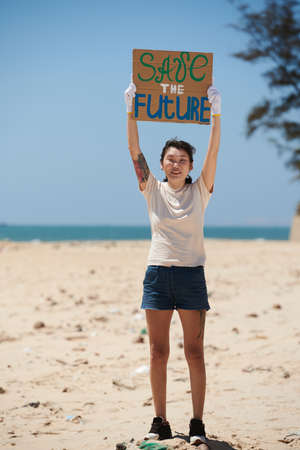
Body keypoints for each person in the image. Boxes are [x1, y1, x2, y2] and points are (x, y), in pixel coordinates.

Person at [124, 78, 221, 448]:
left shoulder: (200, 190)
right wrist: (131, 109)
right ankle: (160, 420)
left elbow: (215, 150)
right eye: (170, 159)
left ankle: (197, 422)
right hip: (157, 275)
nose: (176, 163)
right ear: (162, 164)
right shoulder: (152, 188)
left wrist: (216, 113)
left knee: (194, 350)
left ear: (191, 165)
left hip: (192, 276)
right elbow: (133, 147)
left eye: (182, 159)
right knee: (157, 351)